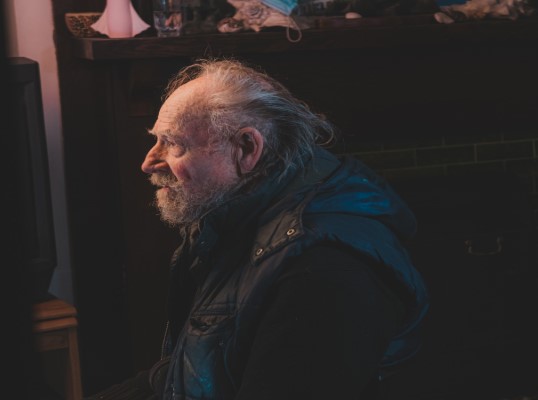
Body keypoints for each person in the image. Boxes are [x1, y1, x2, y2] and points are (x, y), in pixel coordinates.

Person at [87, 58, 428, 400]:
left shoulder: (321, 272)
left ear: (247, 149)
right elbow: (191, 371)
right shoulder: (235, 223)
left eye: (173, 143)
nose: (148, 162)